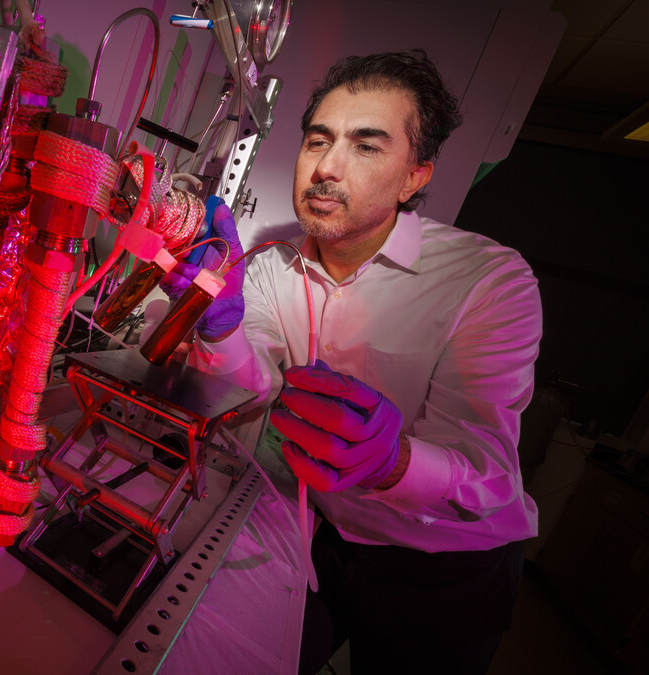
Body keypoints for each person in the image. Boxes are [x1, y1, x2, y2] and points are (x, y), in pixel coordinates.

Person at [161, 50, 542, 674]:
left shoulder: (488, 280)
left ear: (415, 176)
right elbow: (249, 390)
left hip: (444, 564)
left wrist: (394, 464)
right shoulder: (267, 267)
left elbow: (486, 473)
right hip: (323, 534)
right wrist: (220, 323)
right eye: (319, 140)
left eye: (366, 147)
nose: (326, 168)